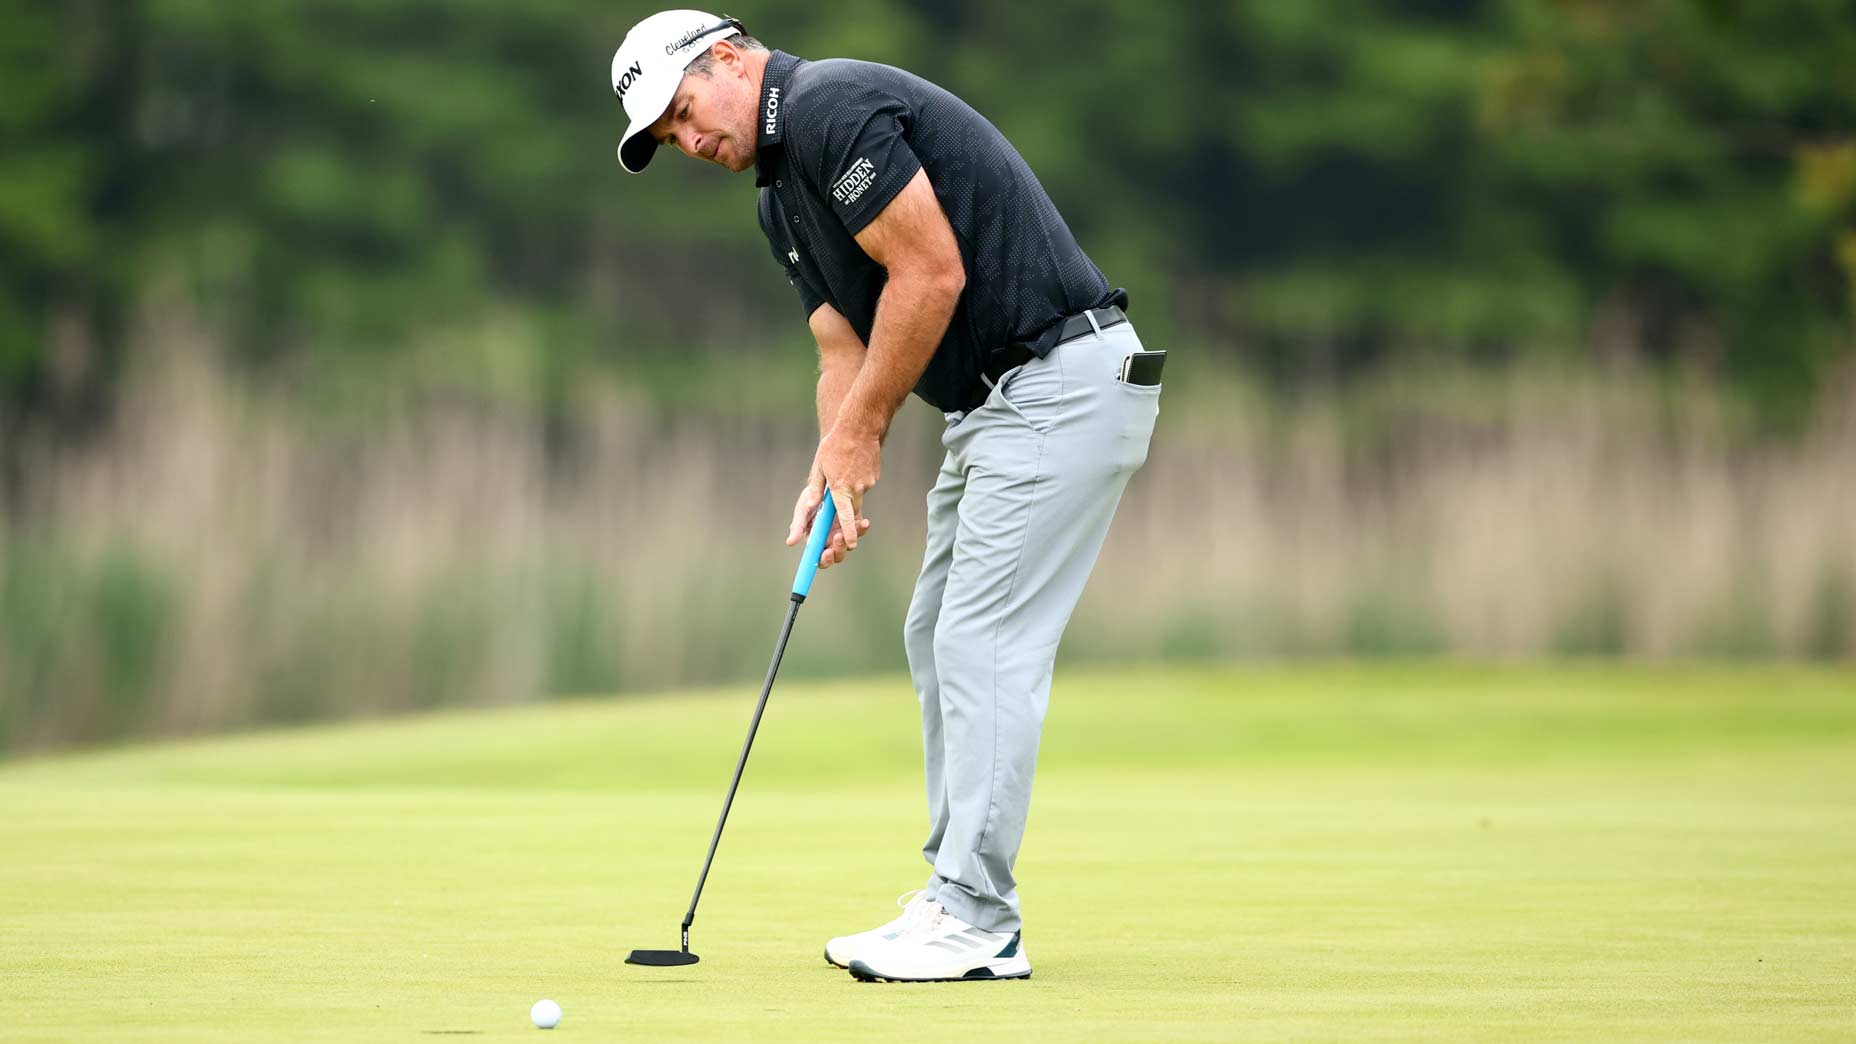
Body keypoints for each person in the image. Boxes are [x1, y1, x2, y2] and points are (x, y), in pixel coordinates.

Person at [610, 10, 1162, 983]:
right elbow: (842, 348)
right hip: (995, 408)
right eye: (665, 137)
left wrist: (865, 432)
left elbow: (930, 272)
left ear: (729, 59)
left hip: (1058, 378)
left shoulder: (830, 106)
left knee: (979, 640)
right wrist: (832, 470)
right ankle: (955, 898)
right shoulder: (777, 201)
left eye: (684, 111)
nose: (688, 141)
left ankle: (975, 917)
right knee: (932, 631)